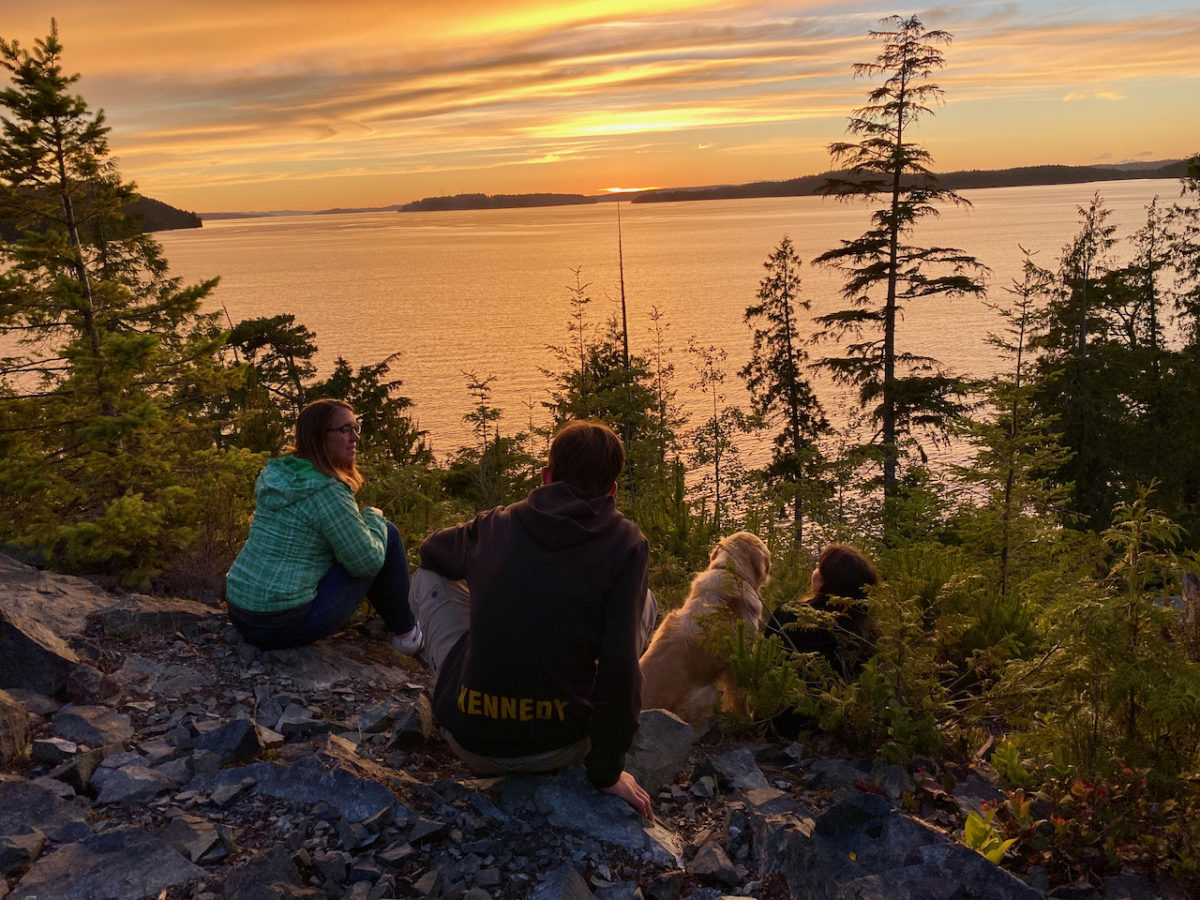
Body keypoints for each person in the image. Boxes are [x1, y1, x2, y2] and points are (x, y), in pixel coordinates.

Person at [409, 420, 657, 820]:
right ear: (612, 489)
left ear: (546, 477)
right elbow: (621, 666)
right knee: (645, 604)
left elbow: (432, 552)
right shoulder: (626, 544)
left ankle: (461, 681)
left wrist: (501, 589)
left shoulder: (495, 524)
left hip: (469, 737)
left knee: (427, 577)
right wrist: (607, 772)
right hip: (559, 745)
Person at [225, 398, 421, 653]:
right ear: (319, 437)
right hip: (281, 624)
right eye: (344, 430)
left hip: (241, 612)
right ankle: (408, 635)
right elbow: (368, 562)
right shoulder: (326, 490)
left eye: (355, 428)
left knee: (352, 538)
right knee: (387, 533)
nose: (355, 438)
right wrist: (373, 516)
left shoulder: (278, 474)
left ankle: (398, 626)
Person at [769, 543, 880, 680]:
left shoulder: (788, 615)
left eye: (819, 567)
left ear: (825, 583)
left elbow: (766, 659)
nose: (814, 570)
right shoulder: (866, 635)